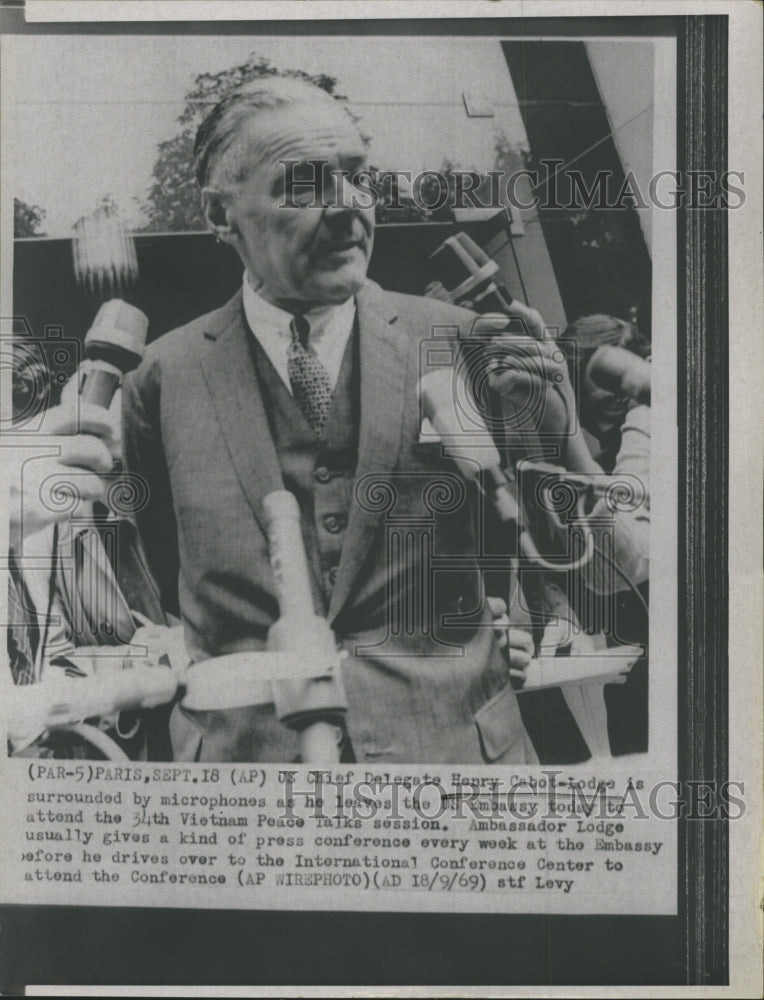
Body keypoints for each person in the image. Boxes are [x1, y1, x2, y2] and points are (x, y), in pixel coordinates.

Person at [121, 77, 550, 764]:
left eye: (357, 178)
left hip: (454, 766)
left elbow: (532, 532)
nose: (348, 210)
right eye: (303, 185)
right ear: (220, 214)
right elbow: (154, 563)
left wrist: (517, 619)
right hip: (251, 792)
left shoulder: (460, 342)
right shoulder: (159, 381)